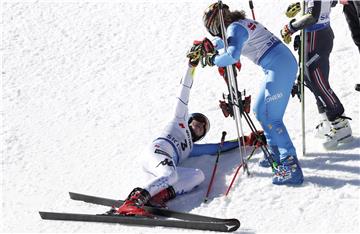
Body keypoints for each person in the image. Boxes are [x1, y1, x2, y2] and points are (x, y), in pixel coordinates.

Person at [113, 62, 263, 217]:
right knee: (171, 175)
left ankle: (156, 197)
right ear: (189, 120)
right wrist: (191, 66)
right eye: (197, 123)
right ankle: (132, 202)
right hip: (157, 152)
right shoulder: (179, 119)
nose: (198, 127)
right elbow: (183, 92)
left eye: (202, 128)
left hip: (162, 170)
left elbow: (216, 148)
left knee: (197, 176)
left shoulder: (191, 148)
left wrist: (247, 139)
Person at [194, 2, 304, 185]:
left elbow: (231, 56)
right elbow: (223, 42)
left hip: (280, 66)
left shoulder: (235, 29)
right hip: (279, 64)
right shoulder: (239, 24)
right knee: (261, 111)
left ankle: (291, 166)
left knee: (271, 116)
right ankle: (274, 152)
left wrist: (213, 59)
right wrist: (208, 46)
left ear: (215, 25)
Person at [281, 0, 353, 149]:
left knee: (317, 80)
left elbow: (313, 16)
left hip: (316, 35)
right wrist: (302, 6)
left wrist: (291, 27)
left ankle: (340, 124)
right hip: (317, 34)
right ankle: (327, 120)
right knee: (309, 79)